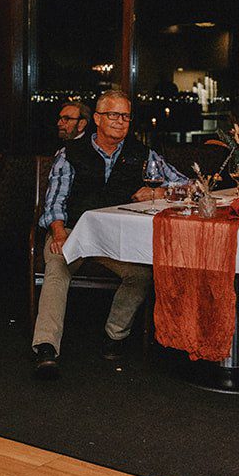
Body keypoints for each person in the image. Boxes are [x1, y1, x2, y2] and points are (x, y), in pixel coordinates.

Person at [31, 90, 188, 379]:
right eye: (113, 115)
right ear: (98, 119)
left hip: (113, 240)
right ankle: (46, 348)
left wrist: (157, 191)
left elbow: (187, 186)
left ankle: (114, 336)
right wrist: (57, 233)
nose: (120, 121)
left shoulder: (142, 154)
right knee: (56, 267)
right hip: (71, 232)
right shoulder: (71, 153)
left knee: (141, 274)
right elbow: (54, 201)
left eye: (125, 116)